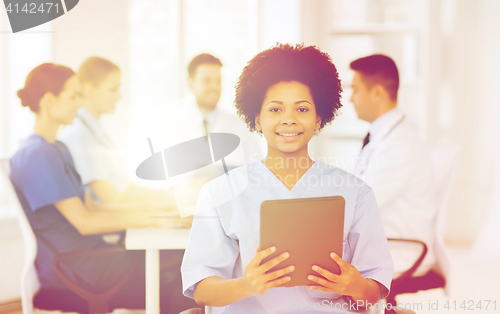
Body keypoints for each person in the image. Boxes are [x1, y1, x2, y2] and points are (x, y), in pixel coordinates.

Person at [181, 44, 393, 313]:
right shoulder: (220, 192)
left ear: (319, 118)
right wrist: (247, 285)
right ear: (257, 119)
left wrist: (354, 285)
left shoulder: (356, 193)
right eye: (275, 110)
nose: (289, 119)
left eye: (302, 110)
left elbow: (374, 290)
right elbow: (201, 290)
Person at [10, 63, 196, 314]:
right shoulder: (37, 155)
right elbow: (85, 222)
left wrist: (155, 217)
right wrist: (156, 221)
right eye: (73, 96)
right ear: (48, 101)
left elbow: (92, 208)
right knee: (184, 271)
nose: (79, 103)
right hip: (77, 270)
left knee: (181, 261)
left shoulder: (56, 148)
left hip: (90, 259)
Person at [348, 54, 437, 278]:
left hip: (399, 250)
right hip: (381, 242)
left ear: (377, 93)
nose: (350, 99)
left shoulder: (400, 145)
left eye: (355, 90)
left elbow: (360, 205)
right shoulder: (382, 137)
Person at [59, 57, 177, 207]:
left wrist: (165, 196)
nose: (119, 96)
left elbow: (123, 185)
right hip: (107, 220)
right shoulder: (79, 133)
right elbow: (106, 194)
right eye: (113, 89)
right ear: (89, 90)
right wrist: (159, 205)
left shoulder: (93, 130)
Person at [187, 53, 263, 166]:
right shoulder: (171, 127)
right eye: (207, 81)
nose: (214, 87)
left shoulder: (240, 127)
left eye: (218, 81)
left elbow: (256, 172)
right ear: (191, 84)